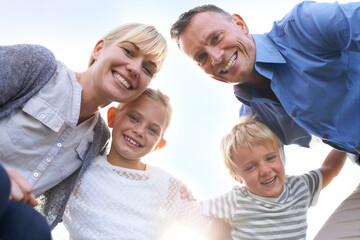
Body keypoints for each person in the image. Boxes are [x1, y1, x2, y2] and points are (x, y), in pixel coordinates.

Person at [170, 2, 360, 238]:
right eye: (201, 57)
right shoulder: (253, 119)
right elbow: (264, 188)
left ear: (240, 24)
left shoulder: (305, 25)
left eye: (216, 38)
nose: (216, 57)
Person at [0, 22, 168, 232]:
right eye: (128, 51)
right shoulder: (40, 68)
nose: (135, 69)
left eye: (147, 69)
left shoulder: (98, 138)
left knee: (34, 228)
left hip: (9, 220)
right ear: (99, 49)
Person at [62, 88, 229, 239]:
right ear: (113, 117)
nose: (139, 131)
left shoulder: (164, 184)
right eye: (134, 118)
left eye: (152, 130)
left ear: (158, 145)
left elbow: (208, 225)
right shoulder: (82, 170)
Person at [200, 115, 346, 240]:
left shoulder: (299, 187)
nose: (264, 170)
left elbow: (330, 169)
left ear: (281, 155)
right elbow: (193, 210)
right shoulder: (236, 201)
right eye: (250, 167)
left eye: (270, 158)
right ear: (236, 177)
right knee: (215, 224)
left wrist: (348, 139)